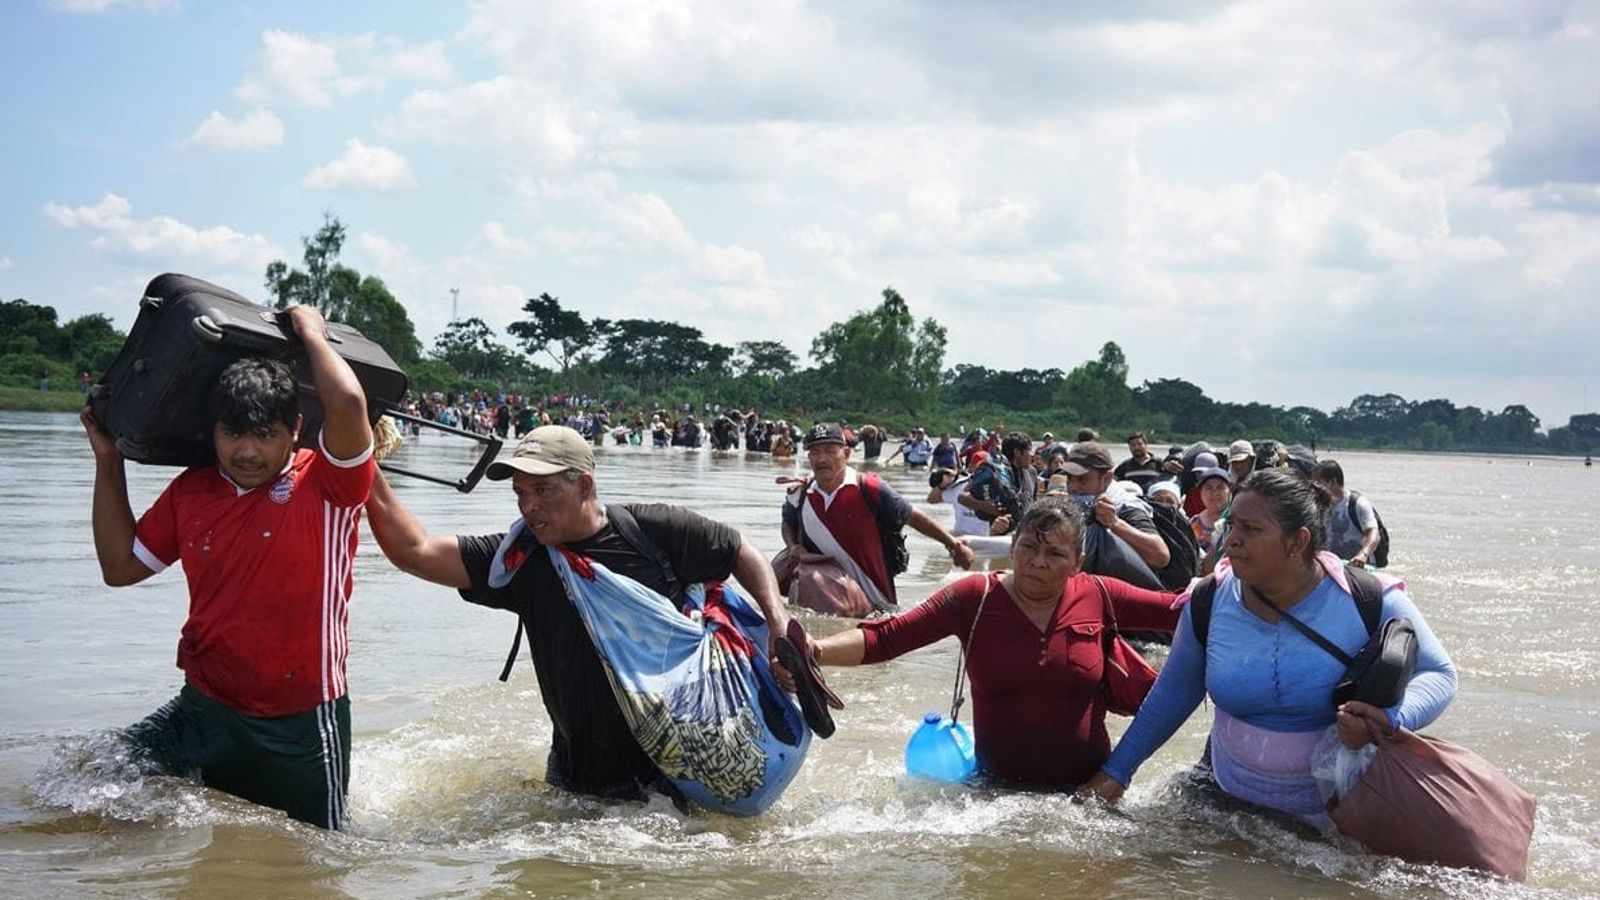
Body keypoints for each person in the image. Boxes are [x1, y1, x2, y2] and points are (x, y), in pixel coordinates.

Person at [363, 425, 809, 803]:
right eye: (520, 493)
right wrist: (357, 456)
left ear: (585, 485)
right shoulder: (521, 562)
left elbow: (738, 551)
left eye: (543, 489)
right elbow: (414, 552)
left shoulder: (651, 533)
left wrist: (776, 621)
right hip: (576, 782)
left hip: (674, 779)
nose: (528, 506)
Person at [81, 304, 375, 830]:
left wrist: (309, 330)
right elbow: (120, 566)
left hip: (301, 724)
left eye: (264, 434)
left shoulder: (329, 485)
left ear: (296, 429)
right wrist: (109, 462)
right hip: (204, 708)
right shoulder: (191, 491)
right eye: (231, 433)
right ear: (211, 431)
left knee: (322, 859)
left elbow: (350, 402)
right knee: (86, 780)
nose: (245, 451)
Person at [1081, 469, 1457, 826]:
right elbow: (1174, 692)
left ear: (1299, 540)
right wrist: (1116, 774)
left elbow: (1440, 675)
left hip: (1339, 816)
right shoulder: (1209, 600)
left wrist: (1390, 719)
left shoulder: (1368, 599)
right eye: (1232, 525)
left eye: (1251, 529)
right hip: (1224, 801)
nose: (1231, 540)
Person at [788, 497, 1179, 788]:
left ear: (1079, 560)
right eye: (1028, 547)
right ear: (1013, 547)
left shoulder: (1100, 595)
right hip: (992, 798)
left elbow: (1180, 611)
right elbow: (888, 637)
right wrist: (815, 652)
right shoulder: (974, 598)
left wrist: (1231, 580)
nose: (1038, 561)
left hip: (1088, 797)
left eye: (1055, 553)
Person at [782, 423, 976, 613]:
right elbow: (787, 523)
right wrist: (793, 547)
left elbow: (913, 516)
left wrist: (954, 545)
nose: (821, 458)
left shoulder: (870, 488)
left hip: (876, 604)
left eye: (830, 450)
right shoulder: (799, 493)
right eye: (815, 452)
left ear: (847, 454)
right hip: (823, 601)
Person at [1060, 441, 1171, 573]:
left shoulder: (1125, 506)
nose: (1073, 487)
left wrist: (1115, 524)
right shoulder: (1073, 502)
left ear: (1106, 478)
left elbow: (1161, 556)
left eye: (1082, 479)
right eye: (1069, 478)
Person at [960, 431, 1038, 534]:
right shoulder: (994, 472)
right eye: (1029, 450)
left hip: (1026, 536)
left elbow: (1034, 503)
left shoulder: (1032, 472)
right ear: (1017, 452)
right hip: (1000, 535)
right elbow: (962, 497)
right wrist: (984, 506)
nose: (1032, 455)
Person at [1311, 460, 1380, 568]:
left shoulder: (1357, 503)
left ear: (1333, 482)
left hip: (1357, 566)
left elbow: (1373, 532)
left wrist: (1363, 554)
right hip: (1331, 567)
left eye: (1318, 483)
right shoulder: (1319, 505)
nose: (1314, 488)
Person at [1188, 467, 1232, 562]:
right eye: (1209, 488)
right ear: (1201, 493)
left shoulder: (1235, 521)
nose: (1215, 493)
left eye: (1220, 487)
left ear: (1229, 492)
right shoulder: (1194, 522)